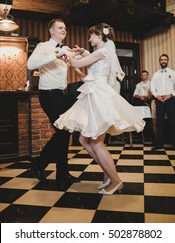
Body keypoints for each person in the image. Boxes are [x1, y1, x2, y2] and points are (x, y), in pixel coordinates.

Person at [54, 23, 145, 195]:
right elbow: (91, 62)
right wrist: (82, 53)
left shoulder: (102, 52)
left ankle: (115, 179)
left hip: (99, 96)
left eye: (91, 36)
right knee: (83, 140)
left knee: (96, 142)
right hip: (94, 94)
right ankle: (107, 171)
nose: (89, 39)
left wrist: (69, 53)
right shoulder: (102, 52)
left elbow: (75, 63)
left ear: (99, 36)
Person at [27, 18, 87, 190]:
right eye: (60, 27)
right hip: (48, 94)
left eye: (65, 28)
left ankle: (56, 172)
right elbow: (30, 64)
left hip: (61, 94)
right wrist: (54, 55)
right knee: (63, 131)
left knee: (64, 133)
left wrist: (82, 52)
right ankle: (46, 168)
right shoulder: (43, 47)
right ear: (51, 31)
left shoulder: (67, 49)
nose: (64, 30)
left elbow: (85, 58)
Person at [151, 53, 175, 150]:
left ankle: (174, 143)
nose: (163, 61)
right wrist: (157, 96)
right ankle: (160, 143)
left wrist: (171, 95)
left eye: (165, 59)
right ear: (159, 61)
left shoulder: (173, 73)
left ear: (167, 61)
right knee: (160, 122)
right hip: (159, 100)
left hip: (171, 100)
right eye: (162, 59)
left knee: (172, 122)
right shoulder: (155, 74)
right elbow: (152, 87)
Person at [133, 70, 155, 143]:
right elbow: (135, 94)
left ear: (147, 76)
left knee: (148, 119)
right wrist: (139, 96)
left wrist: (146, 96)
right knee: (140, 118)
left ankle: (149, 135)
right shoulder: (138, 85)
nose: (143, 76)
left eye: (145, 75)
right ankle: (140, 135)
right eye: (142, 75)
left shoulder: (151, 84)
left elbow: (152, 95)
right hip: (140, 102)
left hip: (148, 102)